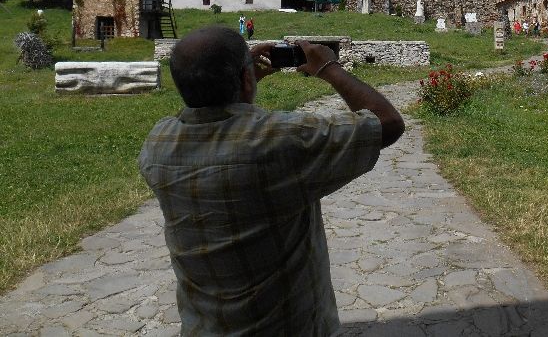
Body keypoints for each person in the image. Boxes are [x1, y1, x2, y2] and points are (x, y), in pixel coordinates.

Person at [139, 27, 404, 336]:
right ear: (245, 78)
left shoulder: (158, 144)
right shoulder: (277, 142)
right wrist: (329, 68)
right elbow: (388, 123)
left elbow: (196, 111)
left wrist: (237, 86)